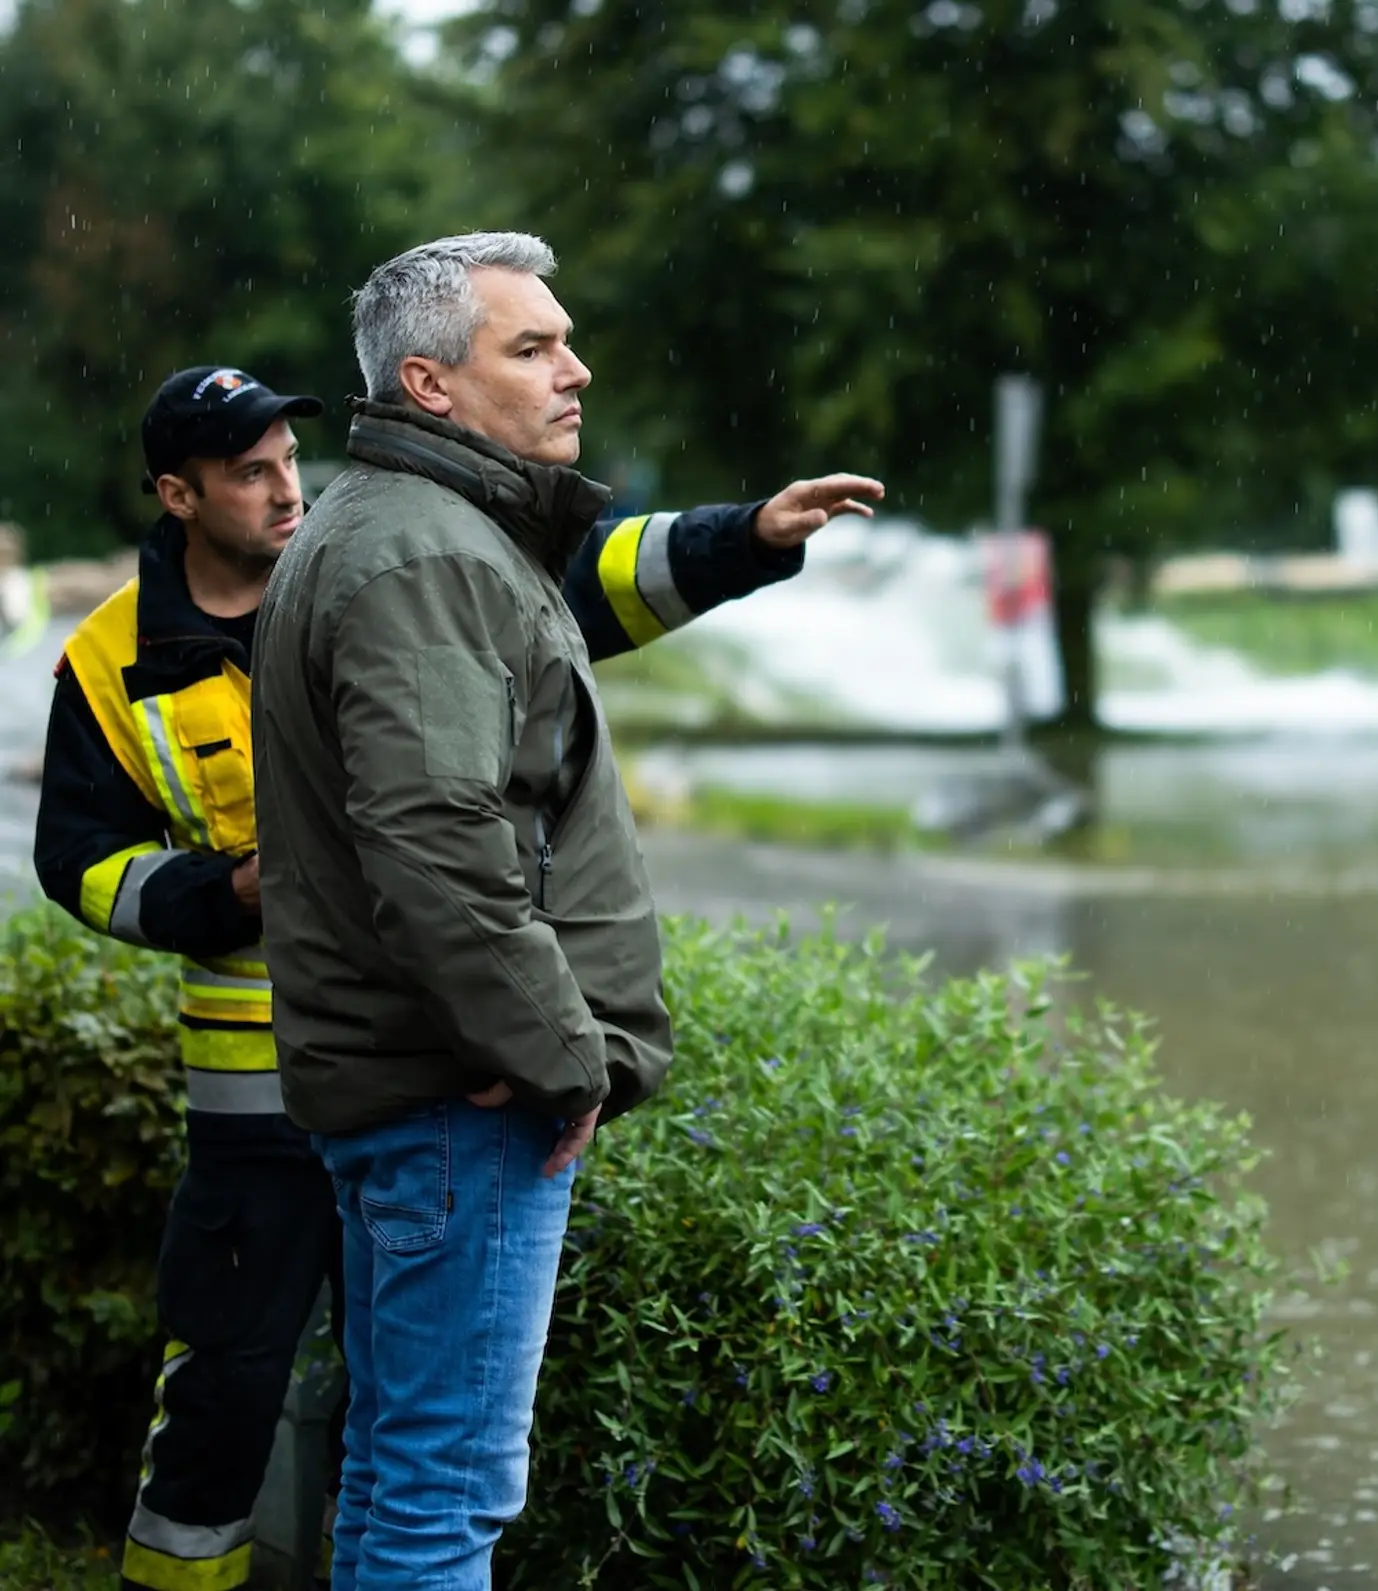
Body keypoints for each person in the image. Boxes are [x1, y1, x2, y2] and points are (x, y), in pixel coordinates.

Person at [37, 349, 871, 1591]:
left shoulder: (360, 573)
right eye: (249, 475)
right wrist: (221, 895)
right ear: (176, 495)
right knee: (234, 1387)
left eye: (288, 464)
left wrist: (743, 536)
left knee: (397, 1425)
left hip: (408, 1068)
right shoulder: (112, 663)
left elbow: (574, 587)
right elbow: (78, 861)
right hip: (255, 1091)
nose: (285, 493)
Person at [252, 230, 883, 1589]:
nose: (574, 367)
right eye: (531, 345)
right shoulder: (427, 559)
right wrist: (560, 1050)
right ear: (429, 382)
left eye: (565, 337)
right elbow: (434, 839)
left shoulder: (428, 532)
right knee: (444, 1493)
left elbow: (566, 618)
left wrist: (747, 537)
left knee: (400, 1468)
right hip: (463, 1099)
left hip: (423, 1088)